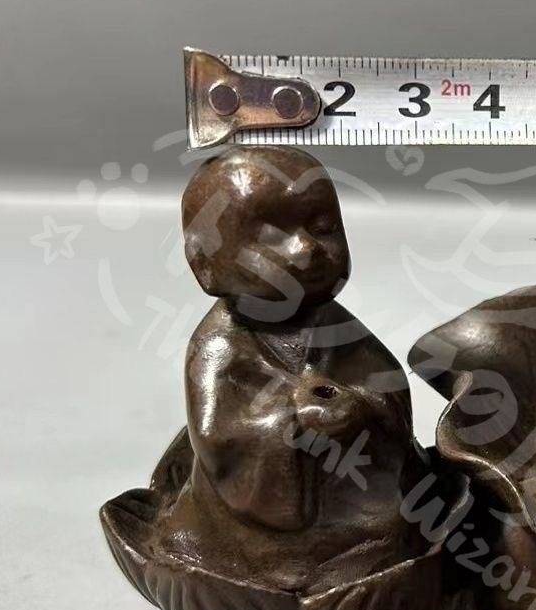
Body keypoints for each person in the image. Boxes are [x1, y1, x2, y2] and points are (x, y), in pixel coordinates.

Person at [167, 146, 428, 587]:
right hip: (260, 528)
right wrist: (293, 419)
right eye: (271, 236)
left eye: (323, 227)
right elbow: (220, 438)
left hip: (360, 499)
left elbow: (389, 392)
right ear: (204, 264)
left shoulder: (336, 326)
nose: (306, 247)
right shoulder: (220, 344)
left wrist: (361, 408)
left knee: (408, 521)